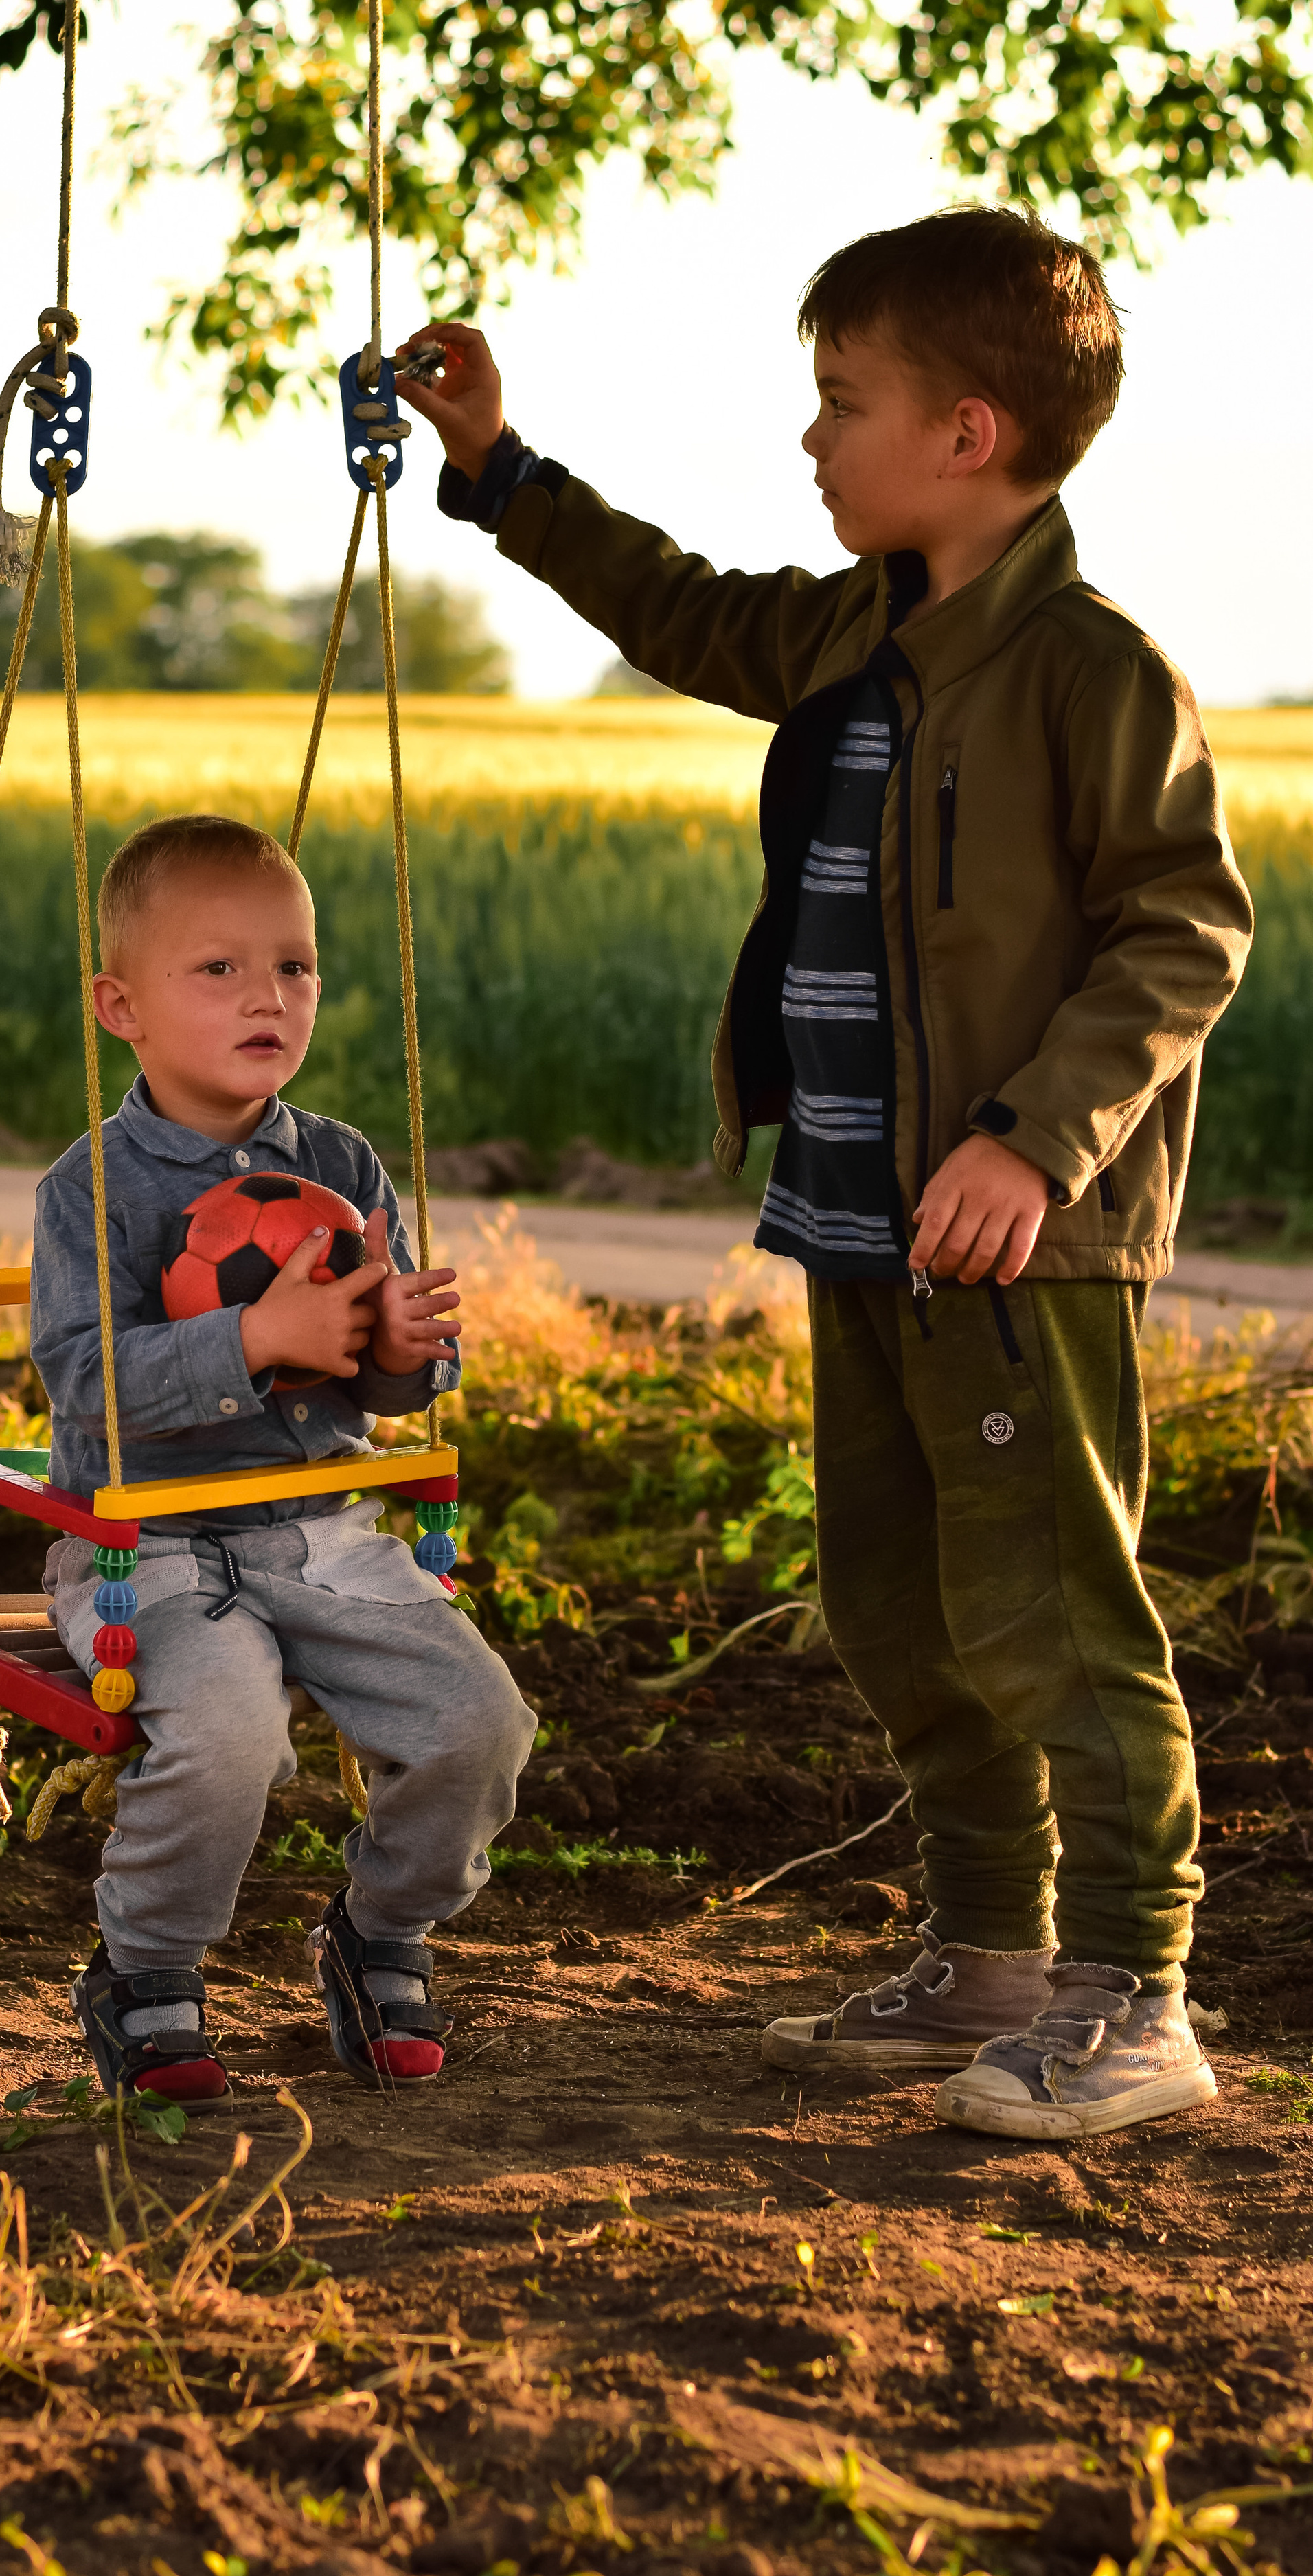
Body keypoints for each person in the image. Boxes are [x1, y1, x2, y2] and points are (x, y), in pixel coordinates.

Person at [398, 205, 1252, 2140]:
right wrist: (501, 474)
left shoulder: (1089, 670)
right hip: (862, 1224)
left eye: (839, 404)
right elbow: (688, 609)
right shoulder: (857, 632)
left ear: (967, 431)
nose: (811, 440)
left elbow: (1187, 929)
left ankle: (1140, 1994)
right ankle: (995, 1958)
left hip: (1021, 1245)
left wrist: (1040, 1147)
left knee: (1051, 1610)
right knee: (897, 1602)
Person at [30, 812, 536, 2107]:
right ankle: (144, 1971)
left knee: (481, 1725)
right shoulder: (89, 1191)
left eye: (296, 966)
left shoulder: (344, 1163)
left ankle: (378, 1932)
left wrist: (402, 1350)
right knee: (229, 1734)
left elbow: (388, 1379)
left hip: (321, 1530)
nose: (270, 995)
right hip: (150, 1547)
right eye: (221, 970)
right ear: (119, 1005)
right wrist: (256, 1336)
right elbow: (84, 1383)